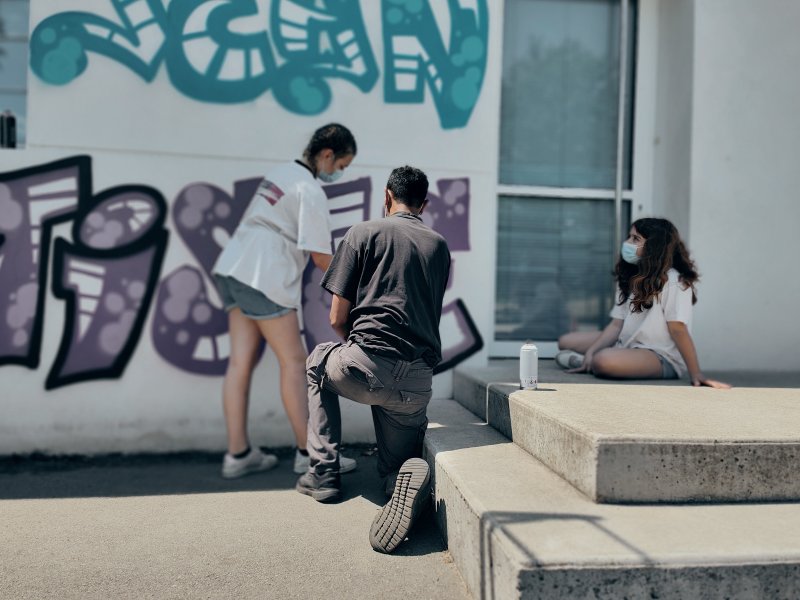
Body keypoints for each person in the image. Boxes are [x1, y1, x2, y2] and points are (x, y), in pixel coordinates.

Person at [295, 165, 451, 554]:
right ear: (424, 204)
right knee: (396, 464)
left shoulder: (362, 233)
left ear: (386, 196)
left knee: (316, 361)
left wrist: (362, 353)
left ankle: (323, 474)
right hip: (416, 382)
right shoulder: (438, 246)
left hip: (362, 367)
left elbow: (336, 318)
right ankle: (396, 482)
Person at [211, 123, 360, 478]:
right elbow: (321, 257)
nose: (339, 173)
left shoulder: (281, 173)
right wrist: (357, 288)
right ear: (327, 155)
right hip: (263, 274)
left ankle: (238, 454)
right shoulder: (309, 190)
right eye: (341, 166)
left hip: (234, 267)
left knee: (239, 363)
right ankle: (310, 454)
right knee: (294, 363)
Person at [555, 217, 730, 389]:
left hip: (659, 356)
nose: (627, 243)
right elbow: (616, 325)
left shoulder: (675, 282)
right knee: (565, 341)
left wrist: (696, 373)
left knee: (603, 361)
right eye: (629, 237)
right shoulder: (630, 275)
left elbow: (678, 330)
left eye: (635, 239)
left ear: (654, 247)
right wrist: (592, 351)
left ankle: (591, 362)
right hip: (627, 343)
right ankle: (590, 360)